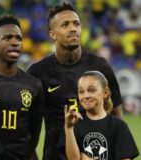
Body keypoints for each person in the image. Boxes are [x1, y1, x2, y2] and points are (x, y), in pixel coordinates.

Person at [26, 3, 123, 160]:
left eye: (76, 24)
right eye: (65, 25)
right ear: (52, 34)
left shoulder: (100, 67)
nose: (73, 28)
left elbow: (116, 114)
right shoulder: (38, 72)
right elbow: (29, 123)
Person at [0, 15, 44, 160]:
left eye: (19, 38)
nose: (15, 42)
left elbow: (34, 133)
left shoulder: (33, 85)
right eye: (7, 38)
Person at [64, 71, 139, 160]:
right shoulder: (74, 123)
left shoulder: (118, 126)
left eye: (91, 90)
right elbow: (73, 159)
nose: (86, 95)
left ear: (105, 92)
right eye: (81, 91)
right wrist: (68, 127)